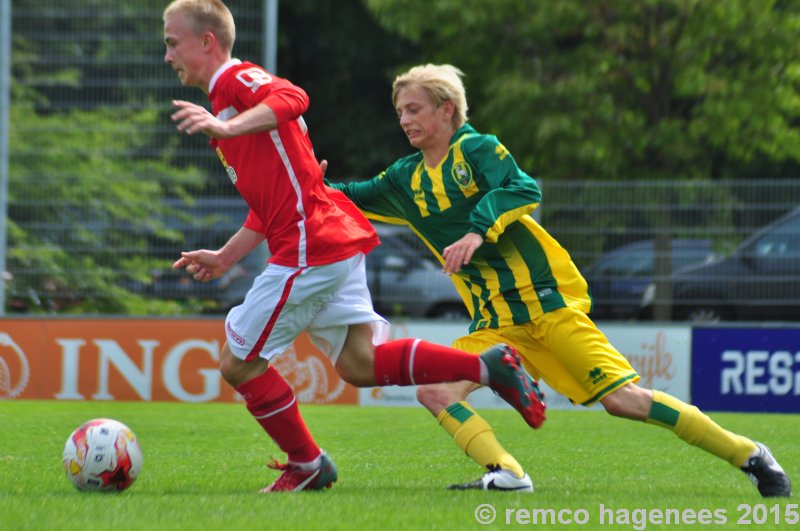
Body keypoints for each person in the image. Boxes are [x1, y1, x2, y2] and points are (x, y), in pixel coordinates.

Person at [326, 63, 792, 497]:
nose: (404, 120)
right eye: (400, 112)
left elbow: (523, 188)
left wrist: (476, 230)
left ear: (446, 109)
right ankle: (507, 472)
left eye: (414, 109)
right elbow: (348, 196)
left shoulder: (478, 149)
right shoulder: (404, 178)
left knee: (624, 402)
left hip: (547, 305)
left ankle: (749, 454)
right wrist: (309, 182)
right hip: (494, 325)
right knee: (434, 391)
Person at [161, 2, 545, 493]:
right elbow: (273, 197)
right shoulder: (228, 110)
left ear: (207, 41)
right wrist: (227, 256)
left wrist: (229, 126)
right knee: (360, 365)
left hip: (309, 247)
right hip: (328, 240)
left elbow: (293, 95)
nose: (168, 55)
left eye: (173, 43)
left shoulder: (238, 82)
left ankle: (307, 464)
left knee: (238, 363)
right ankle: (487, 366)